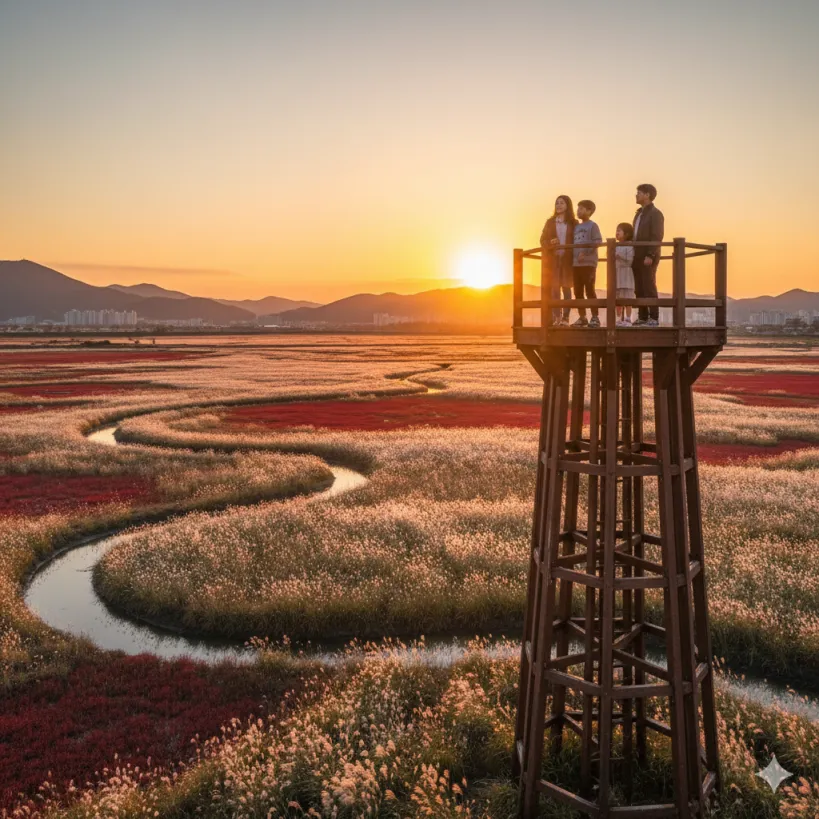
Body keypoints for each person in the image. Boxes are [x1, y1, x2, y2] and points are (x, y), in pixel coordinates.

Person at [631, 183, 664, 326]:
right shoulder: (639, 213)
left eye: (639, 193)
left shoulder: (655, 214)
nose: (636, 195)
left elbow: (657, 236)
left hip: (648, 255)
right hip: (636, 254)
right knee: (638, 287)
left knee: (649, 285)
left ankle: (654, 317)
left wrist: (650, 254)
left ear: (647, 195)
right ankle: (642, 316)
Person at [540, 195, 576, 326]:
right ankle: (557, 317)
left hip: (568, 260)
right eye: (557, 203)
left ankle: (566, 318)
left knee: (566, 288)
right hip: (553, 260)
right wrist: (550, 242)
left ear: (568, 205)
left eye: (562, 203)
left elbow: (577, 240)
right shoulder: (550, 222)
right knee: (554, 289)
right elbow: (542, 240)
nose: (559, 205)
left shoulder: (573, 222)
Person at [571, 199, 603, 327]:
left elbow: (598, 241)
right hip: (576, 264)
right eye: (578, 208)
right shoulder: (576, 227)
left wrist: (586, 252)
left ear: (589, 211)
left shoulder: (592, 226)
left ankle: (595, 317)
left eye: (581, 209)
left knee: (590, 290)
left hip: (588, 263)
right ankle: (582, 317)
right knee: (578, 291)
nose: (578, 211)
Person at [614, 222, 635, 326]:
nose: (617, 233)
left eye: (619, 231)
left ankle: (627, 318)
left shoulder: (630, 245)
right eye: (616, 230)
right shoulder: (615, 245)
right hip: (617, 272)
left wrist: (619, 256)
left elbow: (630, 260)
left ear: (626, 234)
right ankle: (618, 318)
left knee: (627, 296)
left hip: (626, 272)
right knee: (618, 296)